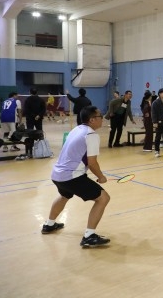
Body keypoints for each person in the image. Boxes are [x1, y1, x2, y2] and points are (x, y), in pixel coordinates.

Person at [41, 105, 111, 248]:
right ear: (92, 120)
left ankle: (49, 224)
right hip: (71, 176)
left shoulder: (77, 129)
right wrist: (101, 177)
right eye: (100, 116)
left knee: (64, 196)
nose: (102, 119)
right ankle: (89, 236)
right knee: (103, 198)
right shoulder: (91, 135)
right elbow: (92, 163)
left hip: (57, 174)